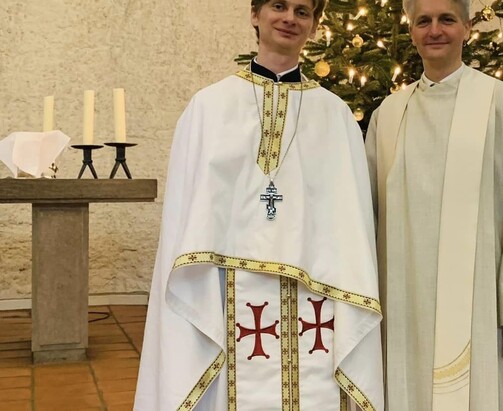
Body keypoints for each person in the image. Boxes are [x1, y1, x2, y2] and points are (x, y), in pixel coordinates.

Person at [134, 1, 383, 410]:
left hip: (316, 290)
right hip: (222, 285)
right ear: (255, 14)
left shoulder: (335, 115)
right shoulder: (209, 107)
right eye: (278, 6)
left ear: (314, 25)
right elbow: (186, 215)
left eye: (302, 11)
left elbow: (351, 222)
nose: (289, 19)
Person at [365, 0, 503, 409]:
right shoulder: (388, 114)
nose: (434, 30)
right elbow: (367, 214)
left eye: (447, 19)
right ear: (411, 30)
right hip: (402, 301)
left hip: (482, 302)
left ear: (467, 27)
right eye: (423, 21)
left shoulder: (500, 102)